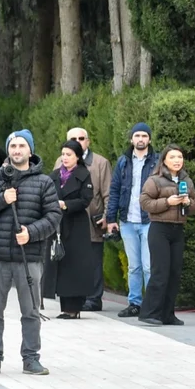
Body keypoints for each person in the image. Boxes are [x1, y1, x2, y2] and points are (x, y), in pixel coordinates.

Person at [0, 129, 61, 376]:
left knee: (30, 311)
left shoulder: (44, 182)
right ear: (8, 150)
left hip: (28, 257)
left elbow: (53, 216)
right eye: (13, 146)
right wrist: (1, 199)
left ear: (30, 150)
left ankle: (31, 358)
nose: (17, 150)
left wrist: (31, 233)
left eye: (22, 146)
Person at [138, 144, 195, 326]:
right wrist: (167, 202)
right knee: (160, 272)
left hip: (177, 229)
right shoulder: (155, 180)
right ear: (164, 160)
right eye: (172, 157)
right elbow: (145, 202)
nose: (177, 161)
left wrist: (188, 203)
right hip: (159, 229)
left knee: (174, 273)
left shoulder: (186, 180)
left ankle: (167, 314)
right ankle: (149, 312)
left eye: (179, 157)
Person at [106, 123, 159, 318]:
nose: (140, 139)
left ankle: (152, 304)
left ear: (149, 139)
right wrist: (111, 218)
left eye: (144, 135)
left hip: (149, 220)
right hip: (128, 220)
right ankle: (134, 303)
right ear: (131, 139)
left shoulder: (156, 161)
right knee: (134, 266)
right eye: (137, 135)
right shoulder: (123, 162)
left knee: (148, 265)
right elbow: (114, 190)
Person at [46, 140, 95, 318]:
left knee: (75, 264)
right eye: (63, 154)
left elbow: (86, 199)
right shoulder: (54, 176)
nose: (65, 158)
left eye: (69, 155)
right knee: (60, 262)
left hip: (76, 225)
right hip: (58, 224)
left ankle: (74, 307)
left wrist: (66, 204)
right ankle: (64, 305)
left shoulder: (83, 174)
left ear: (77, 157)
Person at [66, 127, 112, 312]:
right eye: (73, 138)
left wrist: (108, 216)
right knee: (73, 261)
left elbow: (109, 192)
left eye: (81, 138)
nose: (78, 141)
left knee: (93, 262)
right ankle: (74, 297)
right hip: (69, 220)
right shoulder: (60, 162)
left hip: (92, 221)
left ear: (88, 141)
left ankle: (94, 299)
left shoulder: (101, 163)